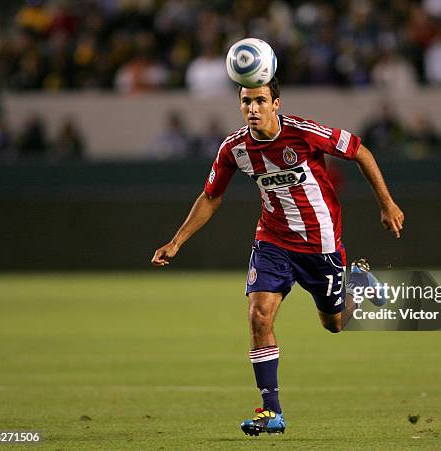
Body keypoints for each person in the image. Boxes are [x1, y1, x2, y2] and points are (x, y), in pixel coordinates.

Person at [151, 77, 404, 436]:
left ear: (276, 104)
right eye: (245, 102)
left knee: (333, 324)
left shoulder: (304, 133)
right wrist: (176, 242)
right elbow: (210, 197)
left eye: (259, 101)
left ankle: (357, 283)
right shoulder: (234, 148)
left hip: (321, 245)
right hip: (272, 242)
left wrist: (386, 203)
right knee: (259, 315)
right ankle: (272, 412)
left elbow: (360, 150)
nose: (252, 109)